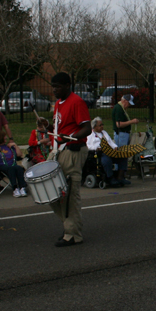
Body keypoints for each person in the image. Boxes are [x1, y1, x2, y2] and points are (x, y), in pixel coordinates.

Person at [49, 72, 91, 247]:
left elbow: (87, 128)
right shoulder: (58, 103)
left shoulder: (76, 102)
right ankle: (69, 226)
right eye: (53, 86)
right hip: (58, 150)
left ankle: (73, 234)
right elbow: (61, 127)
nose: (54, 90)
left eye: (57, 86)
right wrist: (48, 126)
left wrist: (70, 138)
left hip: (72, 151)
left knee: (69, 194)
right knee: (51, 193)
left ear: (67, 85)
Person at [86, 117, 122, 188]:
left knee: (122, 157)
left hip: (109, 151)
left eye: (102, 124)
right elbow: (88, 146)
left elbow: (111, 142)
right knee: (106, 159)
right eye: (100, 125)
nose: (102, 126)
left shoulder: (104, 133)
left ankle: (121, 177)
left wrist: (115, 147)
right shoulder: (90, 134)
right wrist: (96, 148)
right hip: (99, 153)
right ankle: (110, 177)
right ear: (94, 126)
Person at [112, 93, 139, 185]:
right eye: (128, 103)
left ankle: (121, 175)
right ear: (124, 101)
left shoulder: (122, 108)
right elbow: (119, 124)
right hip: (121, 134)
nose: (129, 105)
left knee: (123, 154)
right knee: (122, 155)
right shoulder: (119, 109)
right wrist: (132, 122)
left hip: (124, 134)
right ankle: (119, 176)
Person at [0, 129, 27, 198]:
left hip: (12, 165)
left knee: (19, 168)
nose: (6, 138)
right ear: (0, 138)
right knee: (11, 169)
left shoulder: (8, 146)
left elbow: (19, 154)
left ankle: (22, 187)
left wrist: (15, 145)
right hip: (0, 166)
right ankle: (15, 188)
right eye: (4, 136)